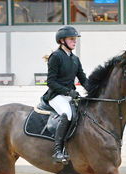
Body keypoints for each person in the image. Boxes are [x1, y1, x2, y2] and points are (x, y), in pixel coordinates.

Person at [43, 26, 88, 164]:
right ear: (62, 41)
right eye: (71, 39)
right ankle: (57, 151)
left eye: (75, 39)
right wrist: (68, 91)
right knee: (67, 114)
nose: (75, 41)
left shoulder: (75, 59)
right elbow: (51, 81)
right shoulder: (56, 57)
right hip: (56, 95)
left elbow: (83, 78)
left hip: (70, 95)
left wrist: (95, 90)